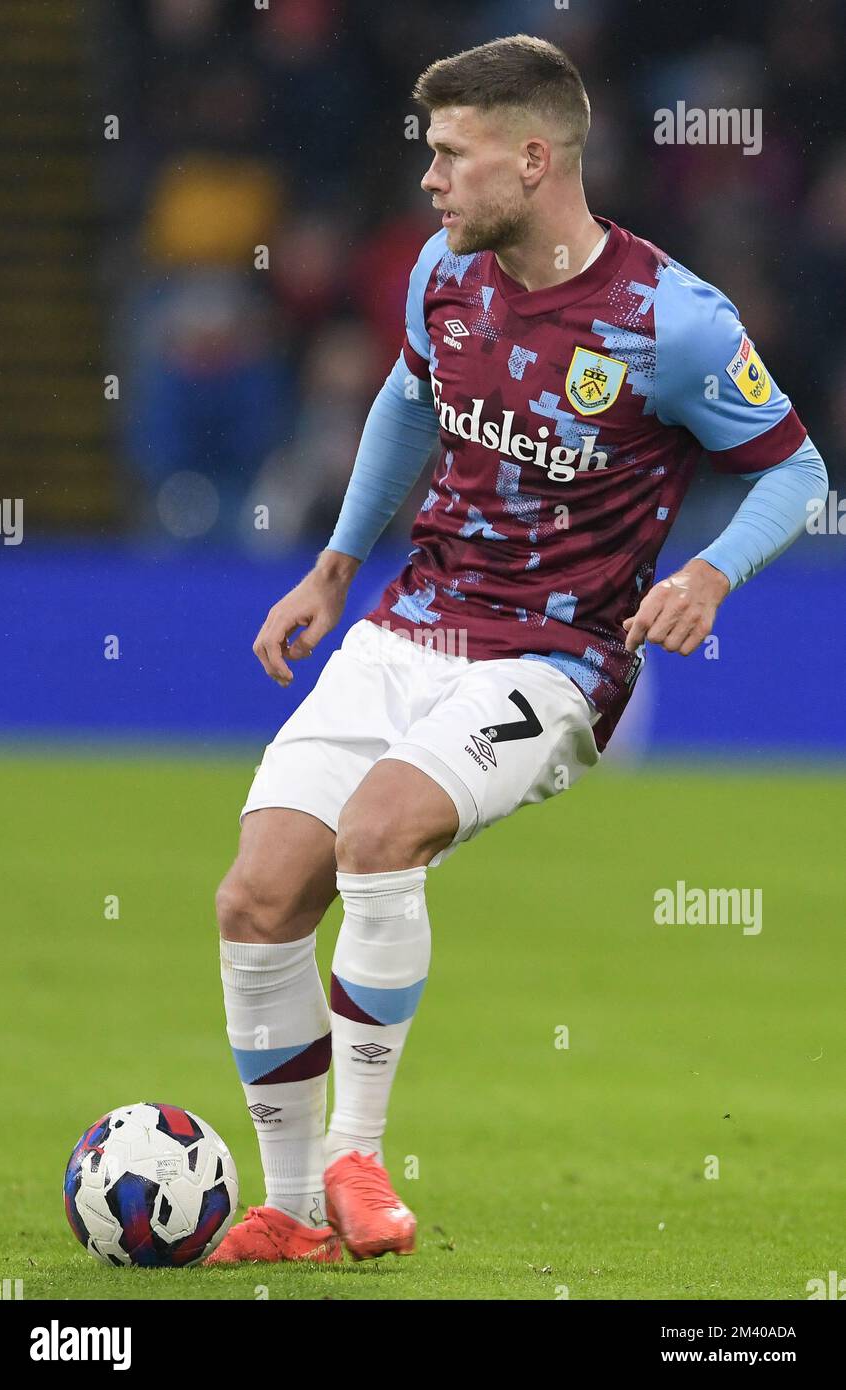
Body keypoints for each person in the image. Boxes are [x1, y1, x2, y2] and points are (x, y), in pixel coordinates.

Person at [206, 34, 827, 1266]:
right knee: (257, 894)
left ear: (532, 159)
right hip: (407, 625)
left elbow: (792, 468)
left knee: (381, 832)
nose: (429, 180)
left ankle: (358, 1160)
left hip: (550, 661)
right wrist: (335, 564)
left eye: (449, 154)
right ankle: (287, 1212)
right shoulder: (444, 272)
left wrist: (707, 570)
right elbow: (404, 395)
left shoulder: (671, 322)